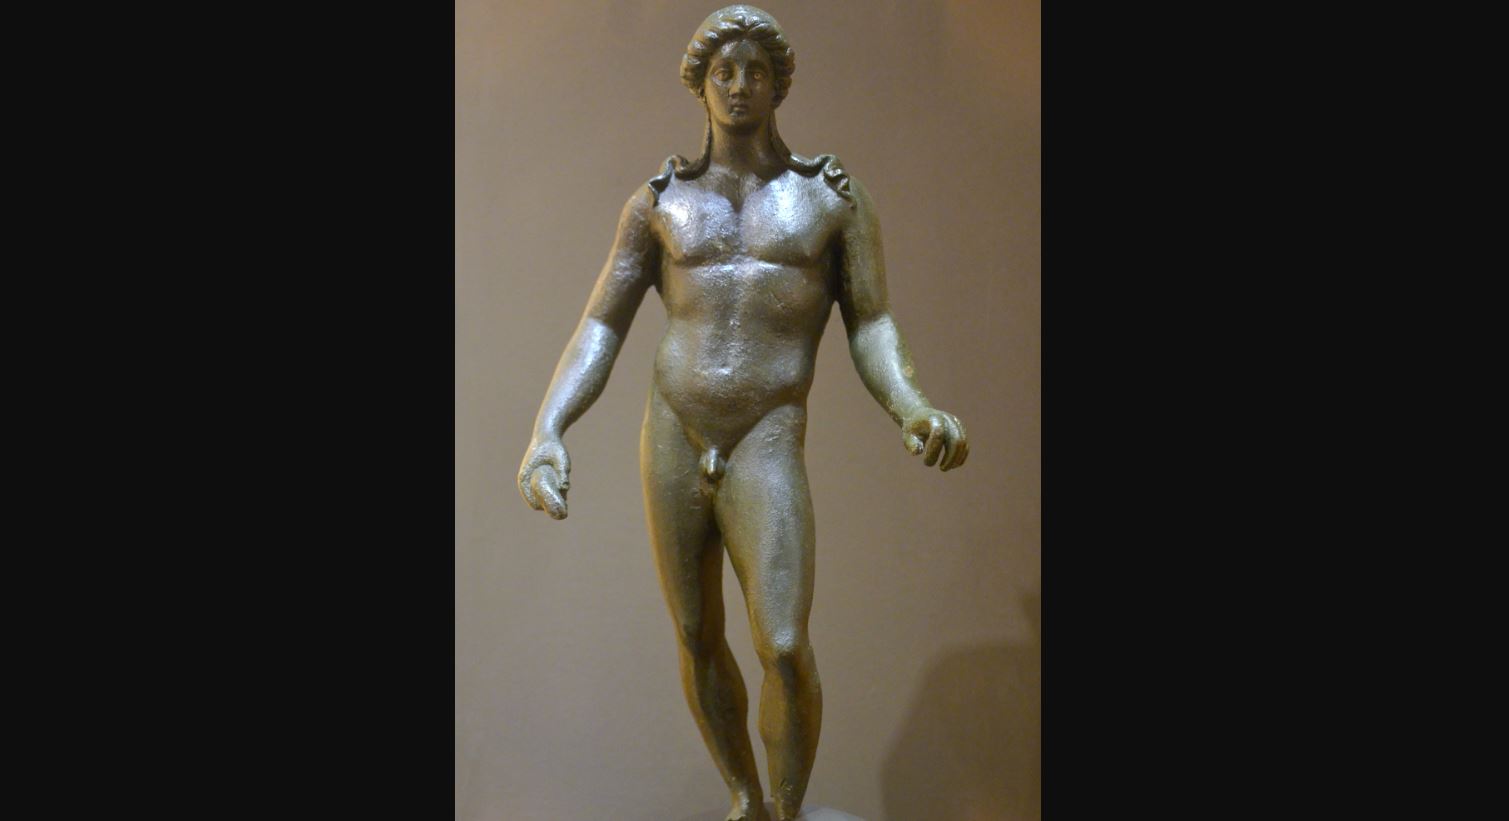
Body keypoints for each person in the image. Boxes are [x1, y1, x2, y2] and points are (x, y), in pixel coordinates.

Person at [517, 7, 967, 820]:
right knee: (695, 634)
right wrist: (548, 428)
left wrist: (912, 404)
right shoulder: (659, 202)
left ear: (777, 85)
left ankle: (786, 810)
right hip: (673, 427)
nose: (738, 85)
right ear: (699, 84)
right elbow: (601, 323)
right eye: (722, 70)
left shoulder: (828, 199)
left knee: (783, 643)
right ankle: (744, 801)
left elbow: (870, 320)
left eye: (755, 70)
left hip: (766, 431)